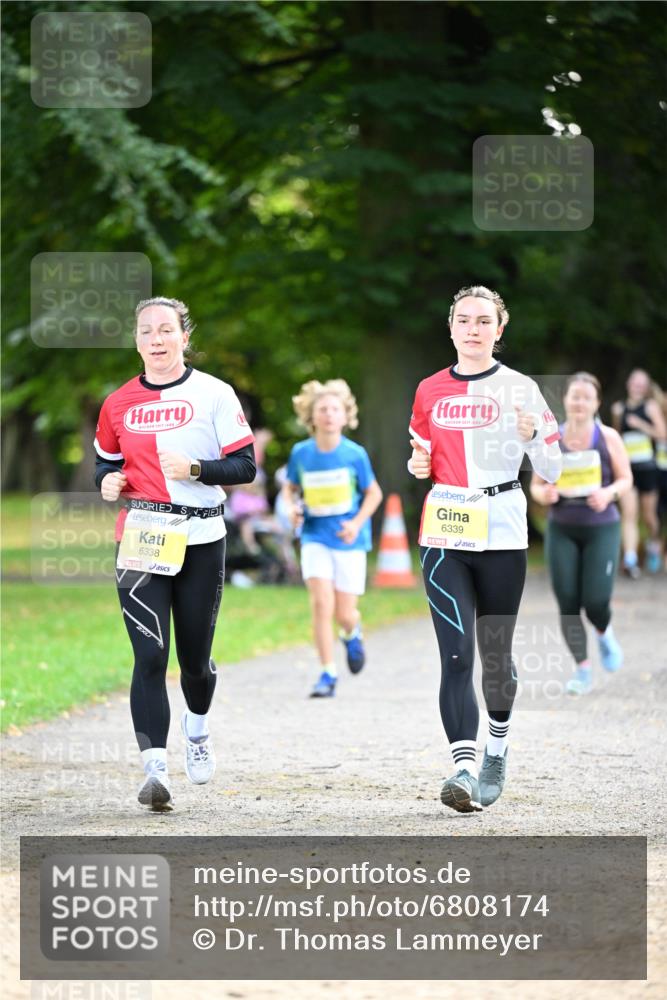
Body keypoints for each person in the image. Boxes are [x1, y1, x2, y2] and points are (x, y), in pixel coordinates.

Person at [95, 296, 256, 811]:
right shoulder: (118, 403)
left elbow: (245, 466)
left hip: (201, 537)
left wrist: (196, 470)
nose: (156, 339)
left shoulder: (214, 393)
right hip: (141, 535)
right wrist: (107, 482)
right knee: (149, 656)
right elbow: (105, 463)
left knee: (194, 662)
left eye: (166, 329)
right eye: (146, 331)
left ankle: (198, 728)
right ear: (136, 341)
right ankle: (155, 771)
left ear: (184, 337)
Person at [408, 284, 562, 813]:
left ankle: (496, 749)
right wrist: (417, 466)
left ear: (500, 329)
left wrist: (534, 435)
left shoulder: (521, 388)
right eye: (463, 320)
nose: (472, 329)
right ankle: (464, 769)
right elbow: (421, 455)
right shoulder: (428, 389)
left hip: (502, 527)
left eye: (483, 321)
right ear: (450, 327)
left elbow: (553, 470)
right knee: (456, 654)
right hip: (445, 528)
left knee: (495, 656)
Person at [530, 373, 633, 696]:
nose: (579, 402)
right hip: (562, 527)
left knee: (596, 600)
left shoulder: (608, 437)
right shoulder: (551, 438)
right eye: (575, 396)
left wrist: (608, 494)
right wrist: (544, 495)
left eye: (587, 397)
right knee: (568, 601)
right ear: (565, 399)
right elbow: (535, 486)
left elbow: (626, 479)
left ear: (596, 403)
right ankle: (582, 669)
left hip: (602, 527)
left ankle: (603, 632)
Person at [281, 380, 383, 697]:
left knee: (344, 614)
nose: (328, 414)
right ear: (311, 416)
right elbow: (289, 489)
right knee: (321, 604)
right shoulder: (301, 453)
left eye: (334, 409)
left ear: (345, 416)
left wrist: (356, 523)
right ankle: (327, 673)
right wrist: (291, 510)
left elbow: (374, 493)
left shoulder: (354, 454)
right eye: (322, 409)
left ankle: (352, 632)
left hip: (348, 539)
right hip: (314, 537)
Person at [611, 369, 666, 576]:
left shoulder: (650, 407)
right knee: (629, 514)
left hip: (648, 468)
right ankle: (630, 559)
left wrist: (641, 425)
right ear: (629, 384)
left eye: (642, 384)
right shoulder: (619, 408)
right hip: (628, 468)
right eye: (635, 382)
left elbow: (663, 434)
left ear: (646, 388)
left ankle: (654, 543)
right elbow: (617, 436)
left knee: (650, 517)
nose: (638, 386)